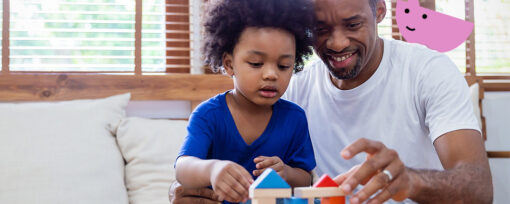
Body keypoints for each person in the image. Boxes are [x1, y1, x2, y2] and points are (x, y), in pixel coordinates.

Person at [170, 0, 493, 203]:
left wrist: (411, 181)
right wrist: (192, 189)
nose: (337, 43)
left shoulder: (427, 71)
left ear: (379, 10)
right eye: (321, 28)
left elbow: (479, 190)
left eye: (353, 24)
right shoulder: (289, 90)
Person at [173, 0, 317, 203]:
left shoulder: (295, 119)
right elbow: (183, 167)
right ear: (229, 64)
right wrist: (213, 169)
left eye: (284, 66)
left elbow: (306, 178)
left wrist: (286, 173)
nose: (271, 74)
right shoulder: (208, 115)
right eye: (256, 63)